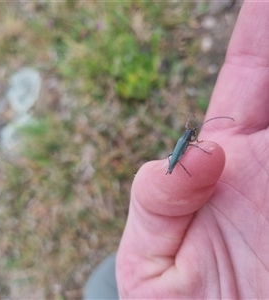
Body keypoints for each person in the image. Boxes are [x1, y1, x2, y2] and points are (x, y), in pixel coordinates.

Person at [85, 1, 269, 298]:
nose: (192, 132)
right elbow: (187, 146)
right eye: (191, 130)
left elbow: (188, 143)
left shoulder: (190, 138)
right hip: (177, 162)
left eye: (191, 131)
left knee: (100, 286)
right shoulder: (189, 140)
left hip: (178, 161)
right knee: (101, 285)